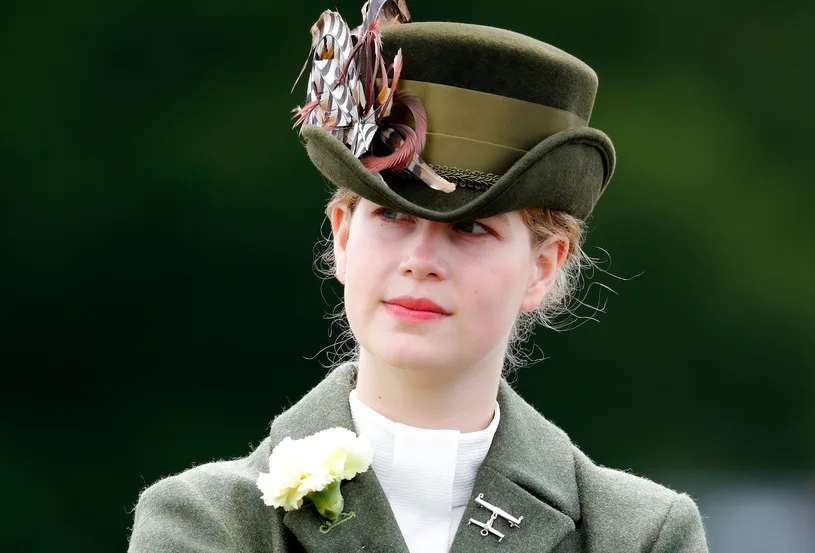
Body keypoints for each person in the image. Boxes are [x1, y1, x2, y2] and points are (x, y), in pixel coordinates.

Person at [128, 2, 708, 552]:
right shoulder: (204, 523)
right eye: (392, 215)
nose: (420, 258)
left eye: (472, 229)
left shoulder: (638, 536)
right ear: (344, 235)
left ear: (542, 267)